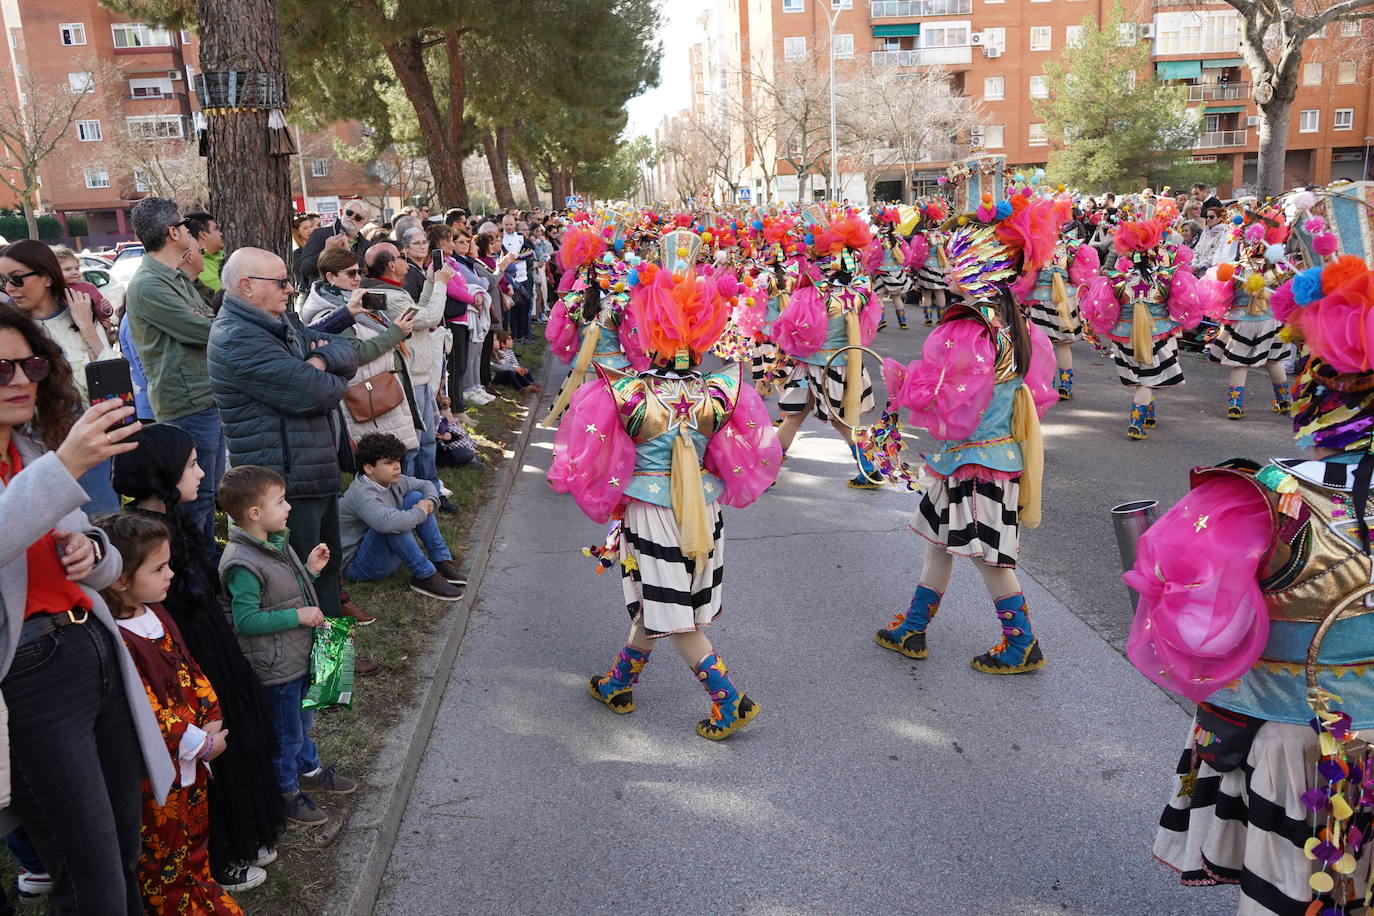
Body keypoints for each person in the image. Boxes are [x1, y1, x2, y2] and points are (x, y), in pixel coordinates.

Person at [1128, 252, 1374, 915]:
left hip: (1297, 745)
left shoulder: (1270, 496)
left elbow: (1191, 627)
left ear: (1315, 393)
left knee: (1287, 899)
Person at [548, 229, 782, 740]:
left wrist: (606, 491)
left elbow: (588, 457)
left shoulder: (626, 392)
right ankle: (618, 682)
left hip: (651, 511)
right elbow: (739, 454)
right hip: (702, 508)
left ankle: (730, 701)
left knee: (672, 610)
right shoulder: (721, 387)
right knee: (663, 596)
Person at [0, 303, 175, 912]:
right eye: (2, 370)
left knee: (123, 852)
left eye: (33, 366)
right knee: (89, 873)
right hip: (28, 678)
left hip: (91, 648)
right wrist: (67, 466)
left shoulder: (27, 450)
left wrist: (90, 548)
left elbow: (100, 569)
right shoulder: (48, 462)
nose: (22, 381)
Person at [875, 194, 1060, 675]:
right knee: (939, 544)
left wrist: (898, 384)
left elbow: (940, 393)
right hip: (975, 457)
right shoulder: (1012, 321)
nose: (947, 268)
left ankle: (1021, 643)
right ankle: (913, 628)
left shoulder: (969, 326)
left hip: (978, 462)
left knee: (988, 558)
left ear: (975, 265)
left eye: (955, 259)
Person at [111, 424, 283, 893]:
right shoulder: (142, 538)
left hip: (207, 643)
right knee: (210, 755)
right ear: (164, 471)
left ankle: (247, 835)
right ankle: (223, 854)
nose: (203, 471)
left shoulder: (173, 521)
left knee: (237, 734)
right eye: (191, 464)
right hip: (182, 655)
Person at [93, 513, 243, 914]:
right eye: (159, 567)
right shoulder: (115, 638)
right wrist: (203, 741)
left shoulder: (157, 613)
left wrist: (212, 713)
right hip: (158, 773)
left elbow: (189, 668)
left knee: (196, 833)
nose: (170, 574)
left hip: (193, 760)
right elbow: (144, 708)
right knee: (164, 847)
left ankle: (201, 890)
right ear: (119, 579)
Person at [207, 248, 359, 624]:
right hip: (283, 479)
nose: (291, 289)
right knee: (300, 576)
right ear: (246, 286)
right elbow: (313, 393)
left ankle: (331, 660)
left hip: (311, 468)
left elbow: (346, 349)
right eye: (281, 282)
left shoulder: (279, 321)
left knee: (325, 565)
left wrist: (320, 360)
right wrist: (322, 374)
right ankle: (312, 665)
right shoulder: (236, 337)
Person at [216, 465, 357, 827]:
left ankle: (308, 769)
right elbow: (246, 620)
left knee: (302, 722)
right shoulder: (241, 563)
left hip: (296, 658)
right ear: (255, 513)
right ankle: (285, 792)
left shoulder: (276, 543)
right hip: (274, 668)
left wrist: (309, 571)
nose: (289, 507)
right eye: (281, 501)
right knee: (285, 733)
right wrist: (299, 616)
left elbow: (282, 594)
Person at [125, 197, 226, 547]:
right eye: (185, 225)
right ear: (172, 232)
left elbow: (210, 319)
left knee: (208, 491)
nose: (190, 231)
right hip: (187, 402)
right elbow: (205, 330)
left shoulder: (175, 277)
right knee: (194, 500)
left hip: (206, 394)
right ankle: (196, 578)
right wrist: (211, 322)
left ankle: (207, 571)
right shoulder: (149, 285)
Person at [0, 240, 120, 512]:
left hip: (90, 443)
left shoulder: (79, 315)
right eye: (3, 281)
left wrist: (87, 328)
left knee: (101, 527)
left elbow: (113, 380)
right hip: (35, 448)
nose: (9, 289)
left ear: (45, 276)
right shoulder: (13, 330)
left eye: (16, 279)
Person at [773, 212, 884, 489]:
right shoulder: (859, 290)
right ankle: (868, 468)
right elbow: (863, 288)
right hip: (837, 363)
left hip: (815, 364)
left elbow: (792, 324)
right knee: (815, 417)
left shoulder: (816, 291)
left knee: (815, 418)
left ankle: (869, 468)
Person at [1079, 217, 1208, 439]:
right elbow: (1185, 304)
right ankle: (1135, 423)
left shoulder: (1116, 279)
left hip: (1124, 337)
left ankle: (1148, 414)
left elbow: (1105, 312)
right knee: (1148, 380)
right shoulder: (1166, 277)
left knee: (1142, 377)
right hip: (1157, 335)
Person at [338, 433, 465, 600]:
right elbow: (388, 523)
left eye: (397, 460)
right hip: (358, 566)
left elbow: (426, 484)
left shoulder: (391, 480)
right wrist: (420, 512)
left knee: (415, 498)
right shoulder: (361, 493)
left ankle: (441, 560)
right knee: (393, 522)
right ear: (369, 468)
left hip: (376, 549)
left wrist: (429, 501)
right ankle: (424, 575)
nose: (397, 466)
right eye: (389, 463)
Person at [297, 201, 374, 289]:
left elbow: (368, 275)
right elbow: (304, 268)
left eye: (358, 217)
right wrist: (326, 252)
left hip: (354, 294)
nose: (352, 218)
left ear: (364, 223)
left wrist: (348, 252)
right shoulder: (320, 234)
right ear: (343, 212)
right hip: (322, 294)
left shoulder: (367, 246)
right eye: (349, 213)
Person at [500, 213, 536, 342]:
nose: (509, 227)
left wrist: (519, 256)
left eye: (511, 224)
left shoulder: (520, 237)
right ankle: (515, 336)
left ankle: (523, 335)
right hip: (510, 279)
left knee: (525, 306)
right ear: (503, 225)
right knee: (513, 308)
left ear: (515, 224)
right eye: (506, 224)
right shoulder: (501, 239)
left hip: (523, 277)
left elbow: (531, 251)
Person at [491, 329, 541, 394]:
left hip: (506, 371)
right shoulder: (489, 355)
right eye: (496, 340)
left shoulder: (498, 353)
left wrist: (517, 368)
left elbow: (507, 364)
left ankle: (530, 384)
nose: (498, 342)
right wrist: (515, 368)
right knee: (510, 373)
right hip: (496, 376)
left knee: (522, 371)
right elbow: (499, 368)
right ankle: (521, 389)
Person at [187, 211, 225, 293]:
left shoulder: (223, 255)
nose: (220, 233)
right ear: (203, 234)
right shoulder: (198, 266)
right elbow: (227, 294)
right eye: (215, 229)